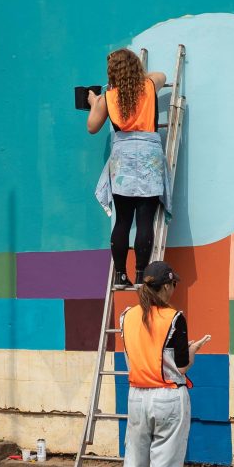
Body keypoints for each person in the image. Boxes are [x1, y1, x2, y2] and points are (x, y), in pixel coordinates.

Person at [109, 261, 210, 467]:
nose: (175, 288)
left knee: (135, 462)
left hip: (136, 396)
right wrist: (193, 350)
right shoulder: (175, 318)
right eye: (173, 284)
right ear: (165, 286)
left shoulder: (126, 316)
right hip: (167, 396)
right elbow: (181, 366)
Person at [88, 48, 171, 289]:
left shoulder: (109, 97)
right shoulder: (148, 86)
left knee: (123, 220)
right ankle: (142, 273)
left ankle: (120, 274)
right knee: (145, 220)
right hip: (149, 157)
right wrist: (140, 77)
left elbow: (92, 127)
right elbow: (162, 75)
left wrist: (95, 102)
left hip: (122, 159)